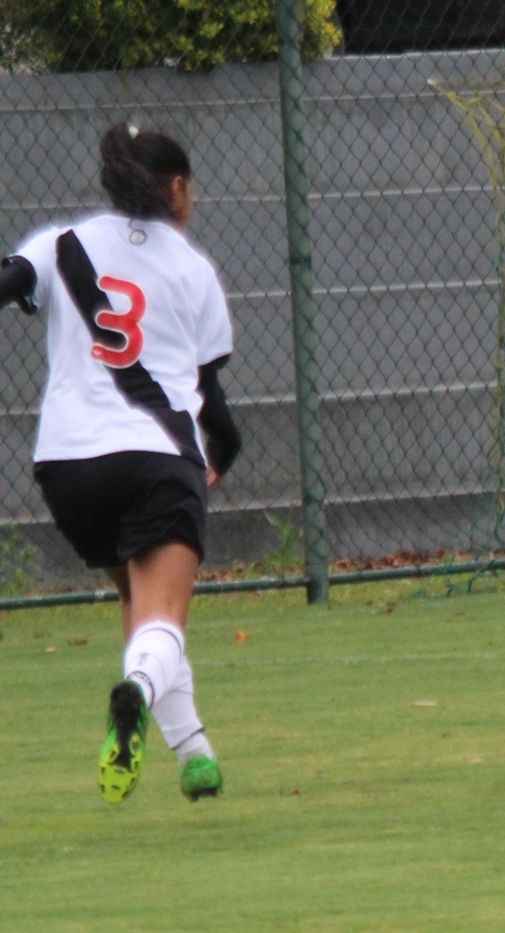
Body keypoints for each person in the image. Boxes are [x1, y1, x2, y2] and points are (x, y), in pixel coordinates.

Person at [1, 122, 241, 803]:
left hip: (69, 468)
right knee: (162, 619)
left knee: (137, 600)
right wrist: (222, 453)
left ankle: (195, 754)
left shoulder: (60, 244)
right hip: (156, 457)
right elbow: (212, 402)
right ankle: (134, 693)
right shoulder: (192, 269)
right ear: (176, 187)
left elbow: (10, 282)